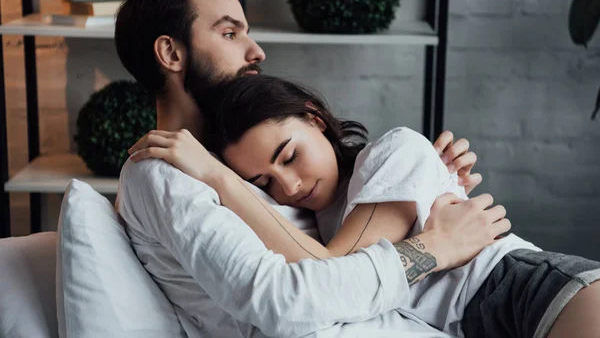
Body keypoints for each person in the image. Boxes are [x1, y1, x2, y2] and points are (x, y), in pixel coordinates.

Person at [115, 0, 497, 338]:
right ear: (171, 54)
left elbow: (335, 237)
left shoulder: (231, 161)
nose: (257, 52)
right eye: (230, 33)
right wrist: (433, 247)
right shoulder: (164, 172)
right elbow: (285, 299)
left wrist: (422, 179)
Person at [129, 74, 600, 338]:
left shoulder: (392, 153)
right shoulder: (315, 218)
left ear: (315, 118)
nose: (288, 186)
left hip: (528, 292)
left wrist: (219, 179)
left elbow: (332, 270)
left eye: (289, 156)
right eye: (263, 183)